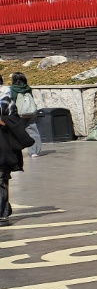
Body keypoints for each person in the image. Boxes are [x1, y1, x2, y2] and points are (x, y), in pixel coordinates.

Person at [0, 90, 31, 223]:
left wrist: (2, 120)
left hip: (3, 144)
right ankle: (4, 208)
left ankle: (1, 211)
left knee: (1, 177)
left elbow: (15, 120)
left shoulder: (6, 100)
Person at [9, 72, 40, 157]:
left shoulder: (12, 89)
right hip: (31, 112)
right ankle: (34, 151)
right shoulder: (28, 88)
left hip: (18, 113)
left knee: (15, 132)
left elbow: (11, 101)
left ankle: (15, 150)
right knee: (33, 131)